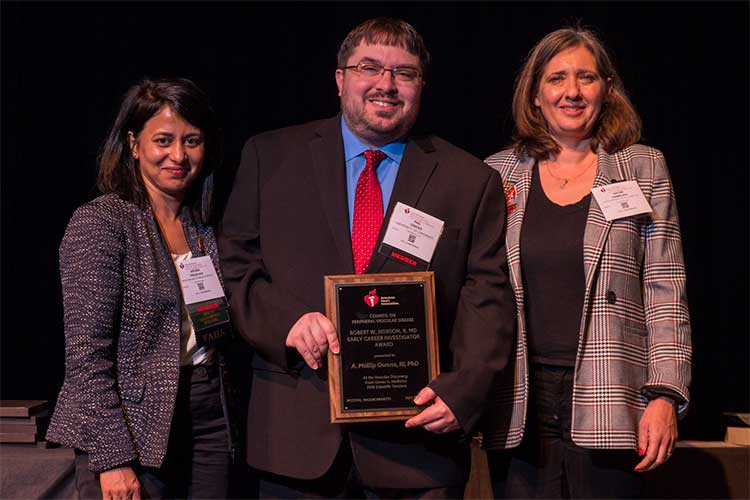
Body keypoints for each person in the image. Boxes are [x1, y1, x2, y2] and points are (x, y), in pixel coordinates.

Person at [219, 17, 515, 499]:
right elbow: (233, 269)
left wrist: (464, 391)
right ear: (340, 79)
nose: (386, 84)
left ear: (421, 85)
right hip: (295, 440)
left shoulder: (469, 180)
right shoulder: (269, 158)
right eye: (369, 67)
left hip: (418, 446)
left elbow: (487, 297)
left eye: (405, 72)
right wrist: (286, 323)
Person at [482, 27, 692, 499]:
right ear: (535, 95)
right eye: (557, 78)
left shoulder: (643, 167)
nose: (572, 92)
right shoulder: (496, 174)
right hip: (519, 401)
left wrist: (664, 394)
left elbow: (666, 289)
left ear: (607, 89)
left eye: (586, 77)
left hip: (614, 393)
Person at [46, 78, 234, 499]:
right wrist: (112, 459)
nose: (178, 156)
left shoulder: (204, 224)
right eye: (163, 140)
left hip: (207, 421)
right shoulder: (101, 223)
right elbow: (85, 357)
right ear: (133, 144)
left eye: (192, 141)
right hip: (130, 426)